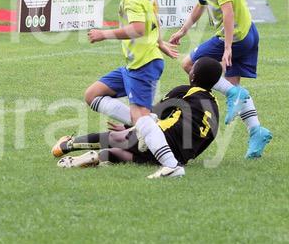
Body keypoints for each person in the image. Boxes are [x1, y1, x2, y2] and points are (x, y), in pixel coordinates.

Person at [169, 0, 272, 158]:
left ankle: (234, 93)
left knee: (188, 64)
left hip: (236, 37)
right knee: (232, 84)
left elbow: (228, 11)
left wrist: (227, 47)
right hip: (248, 33)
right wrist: (184, 30)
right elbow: (200, 5)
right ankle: (256, 131)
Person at [85, 0, 182, 179]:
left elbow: (138, 28)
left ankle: (172, 165)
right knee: (93, 94)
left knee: (140, 117)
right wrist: (160, 43)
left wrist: (104, 34)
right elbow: (154, 20)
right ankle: (146, 123)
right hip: (135, 64)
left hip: (143, 64)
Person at [53, 57, 223, 177]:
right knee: (121, 154)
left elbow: (152, 114)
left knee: (115, 138)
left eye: (193, 67)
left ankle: (66, 145)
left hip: (163, 138)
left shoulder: (185, 91)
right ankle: (98, 157)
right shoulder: (215, 107)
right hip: (179, 157)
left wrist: (129, 127)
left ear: (193, 76)